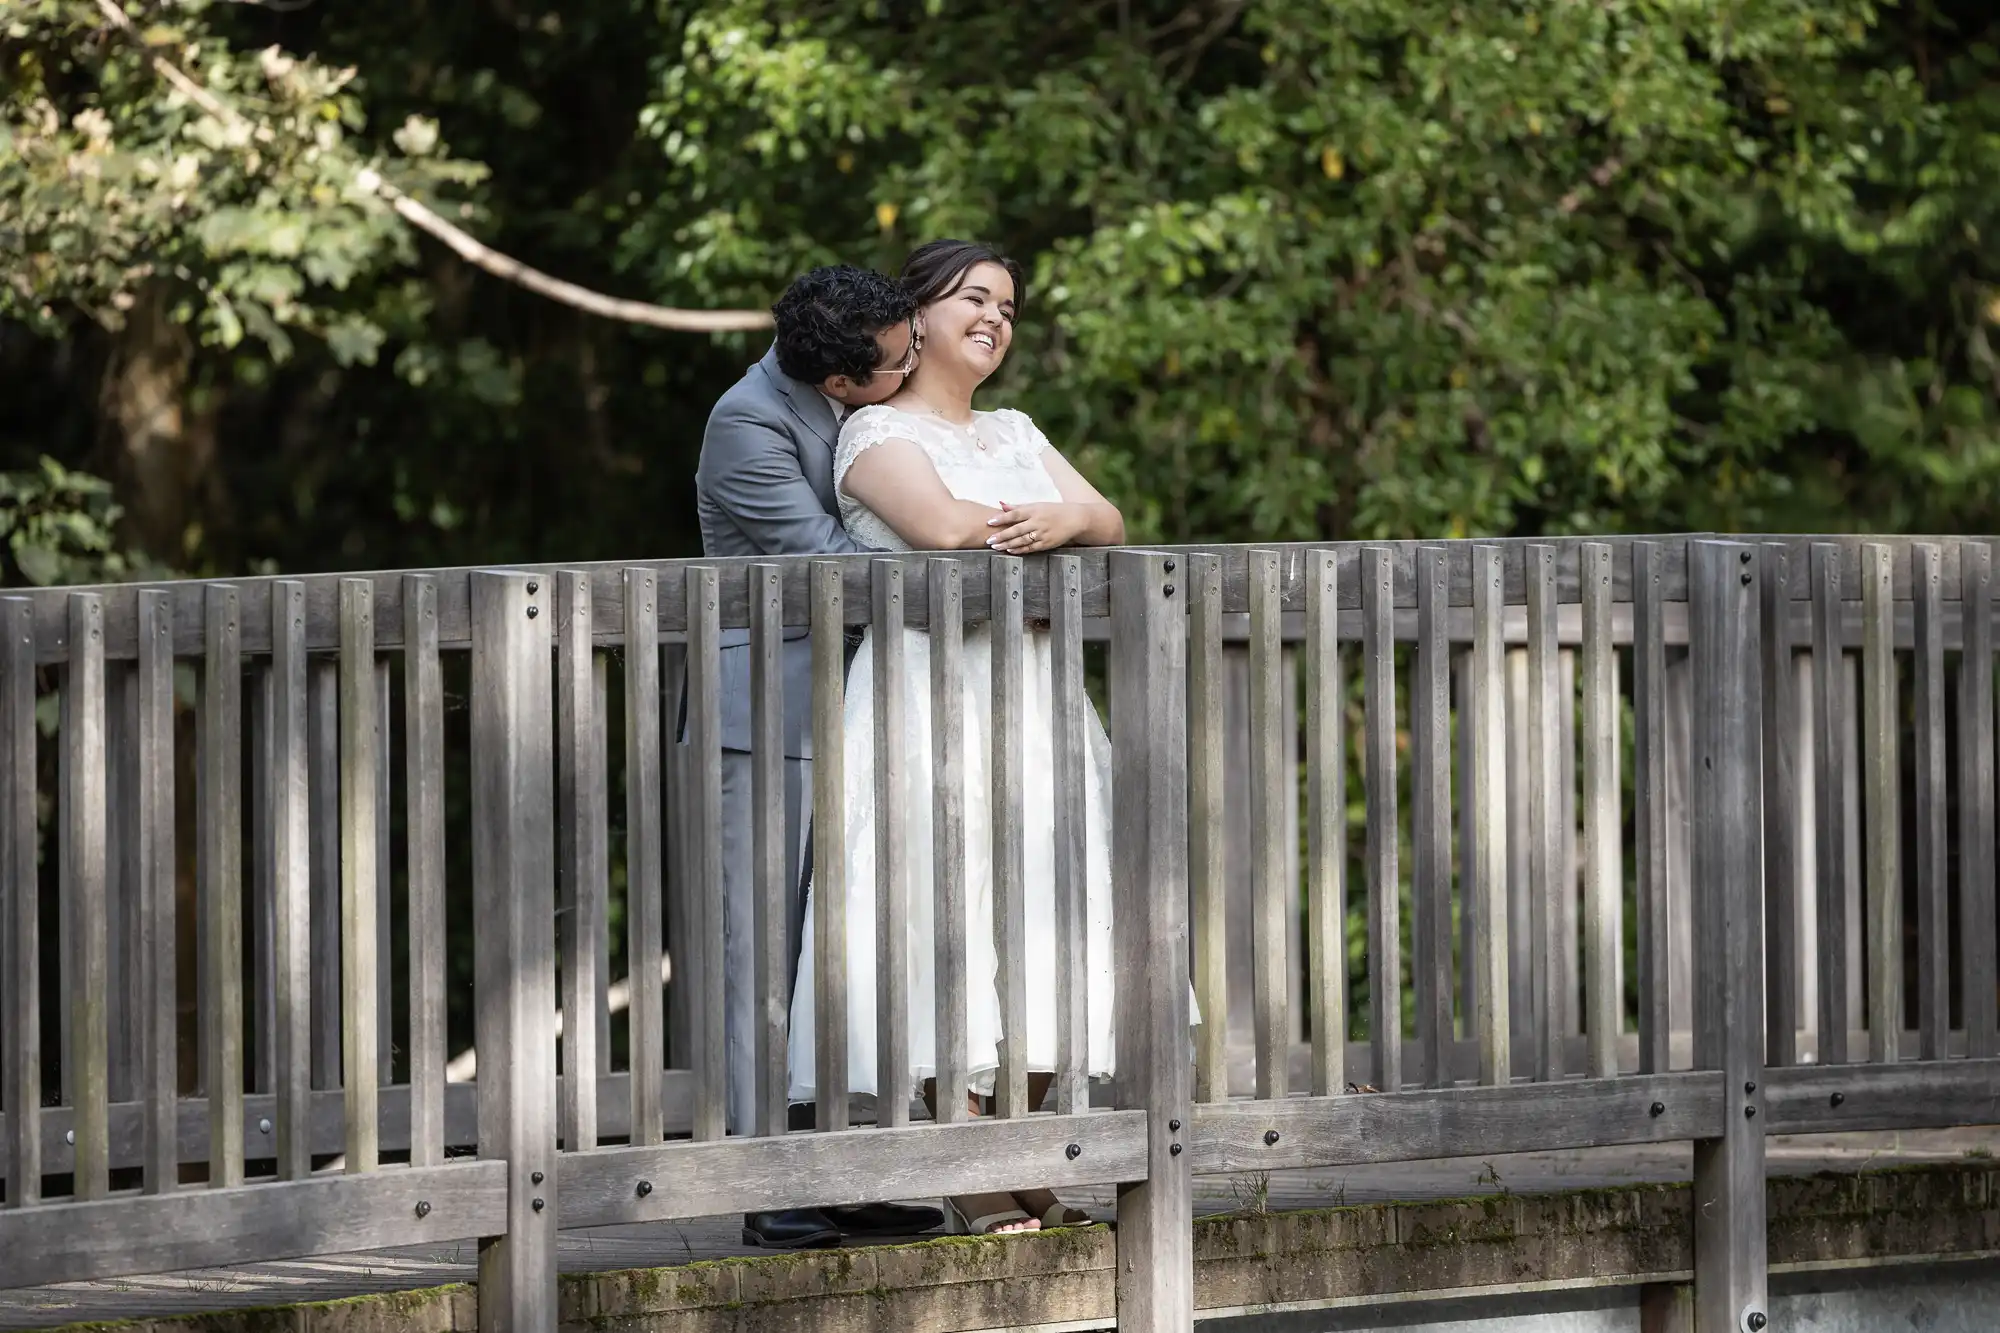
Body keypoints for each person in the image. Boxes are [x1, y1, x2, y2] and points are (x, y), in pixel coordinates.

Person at [785, 240, 1125, 1236]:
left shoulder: (1014, 427)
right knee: (942, 912)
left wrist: (1062, 517)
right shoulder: (872, 431)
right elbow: (938, 528)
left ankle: (1021, 1154)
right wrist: (1050, 522)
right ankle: (963, 1163)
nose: (995, 317)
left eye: (1009, 307)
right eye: (974, 297)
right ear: (917, 317)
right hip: (922, 701)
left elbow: (1105, 517)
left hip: (1031, 697)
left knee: (1041, 907)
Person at [693, 264, 942, 1250]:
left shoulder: (875, 397)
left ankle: (853, 1168)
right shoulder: (744, 423)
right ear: (841, 386)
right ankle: (769, 1183)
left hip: (869, 707)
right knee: (765, 955)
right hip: (768, 714)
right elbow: (824, 556)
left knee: (850, 947)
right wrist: (958, 545)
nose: (912, 360)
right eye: (897, 358)